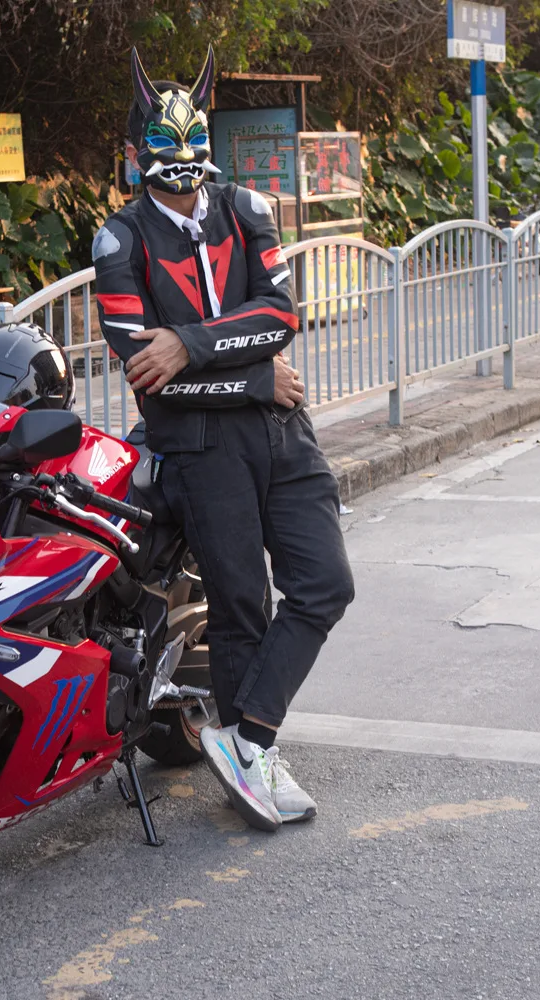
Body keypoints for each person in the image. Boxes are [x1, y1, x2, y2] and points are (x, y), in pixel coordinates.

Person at [92, 45, 354, 832]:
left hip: (282, 429)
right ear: (135, 149)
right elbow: (149, 376)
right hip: (202, 445)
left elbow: (280, 317)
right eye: (164, 143)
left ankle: (244, 738)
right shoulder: (119, 241)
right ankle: (254, 750)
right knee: (241, 606)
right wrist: (253, 377)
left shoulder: (248, 210)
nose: (182, 158)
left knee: (326, 584)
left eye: (193, 140)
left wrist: (191, 344)